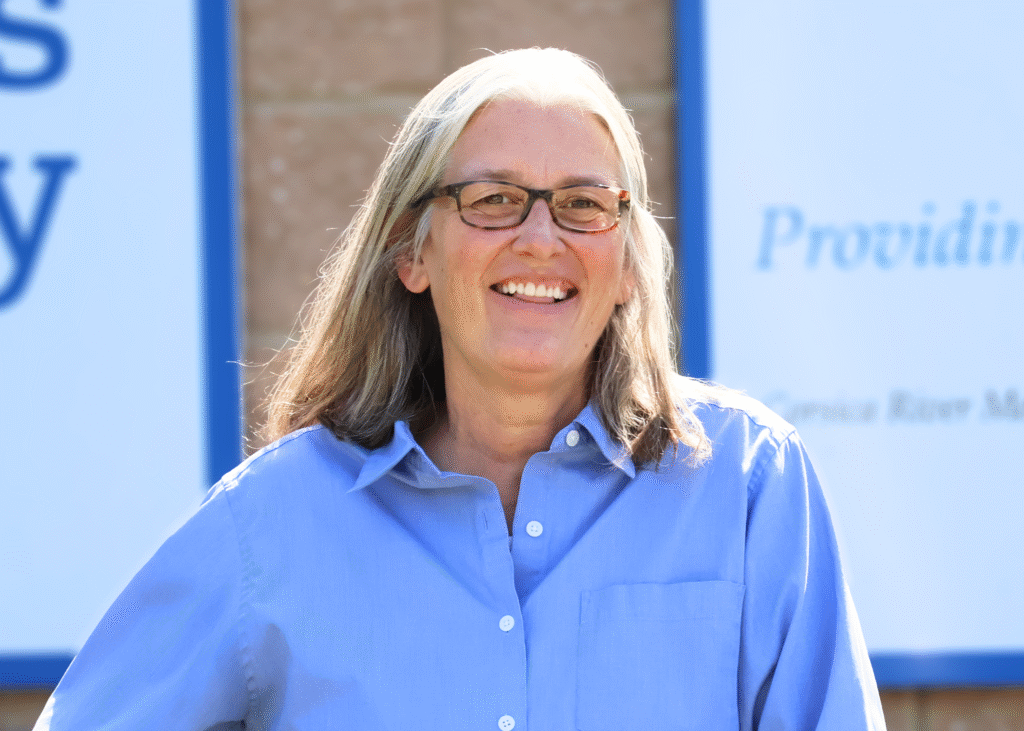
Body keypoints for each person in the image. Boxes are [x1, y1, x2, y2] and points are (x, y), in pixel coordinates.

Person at [35, 48, 886, 730]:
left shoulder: (749, 486)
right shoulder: (277, 521)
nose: (542, 238)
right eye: (494, 199)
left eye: (586, 205)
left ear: (626, 261)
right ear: (413, 252)